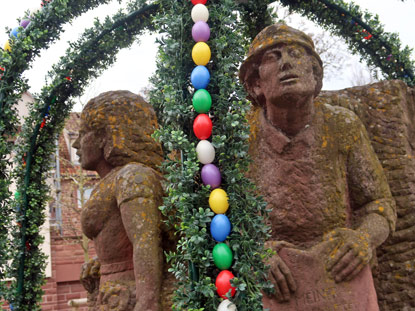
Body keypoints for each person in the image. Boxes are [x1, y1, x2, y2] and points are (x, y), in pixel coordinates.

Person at [239, 24, 396, 310]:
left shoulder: (342, 126)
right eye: (272, 57)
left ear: (314, 73)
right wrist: (252, 254)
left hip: (339, 272)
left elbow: (380, 204)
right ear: (256, 84)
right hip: (276, 283)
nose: (286, 62)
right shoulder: (241, 139)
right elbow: (221, 218)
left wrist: (363, 240)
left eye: (296, 54)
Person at [73, 90, 166, 311]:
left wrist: (147, 302)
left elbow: (145, 240)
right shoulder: (112, 182)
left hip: (129, 297)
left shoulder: (132, 176)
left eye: (83, 133)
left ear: (105, 136)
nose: (76, 144)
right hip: (111, 295)